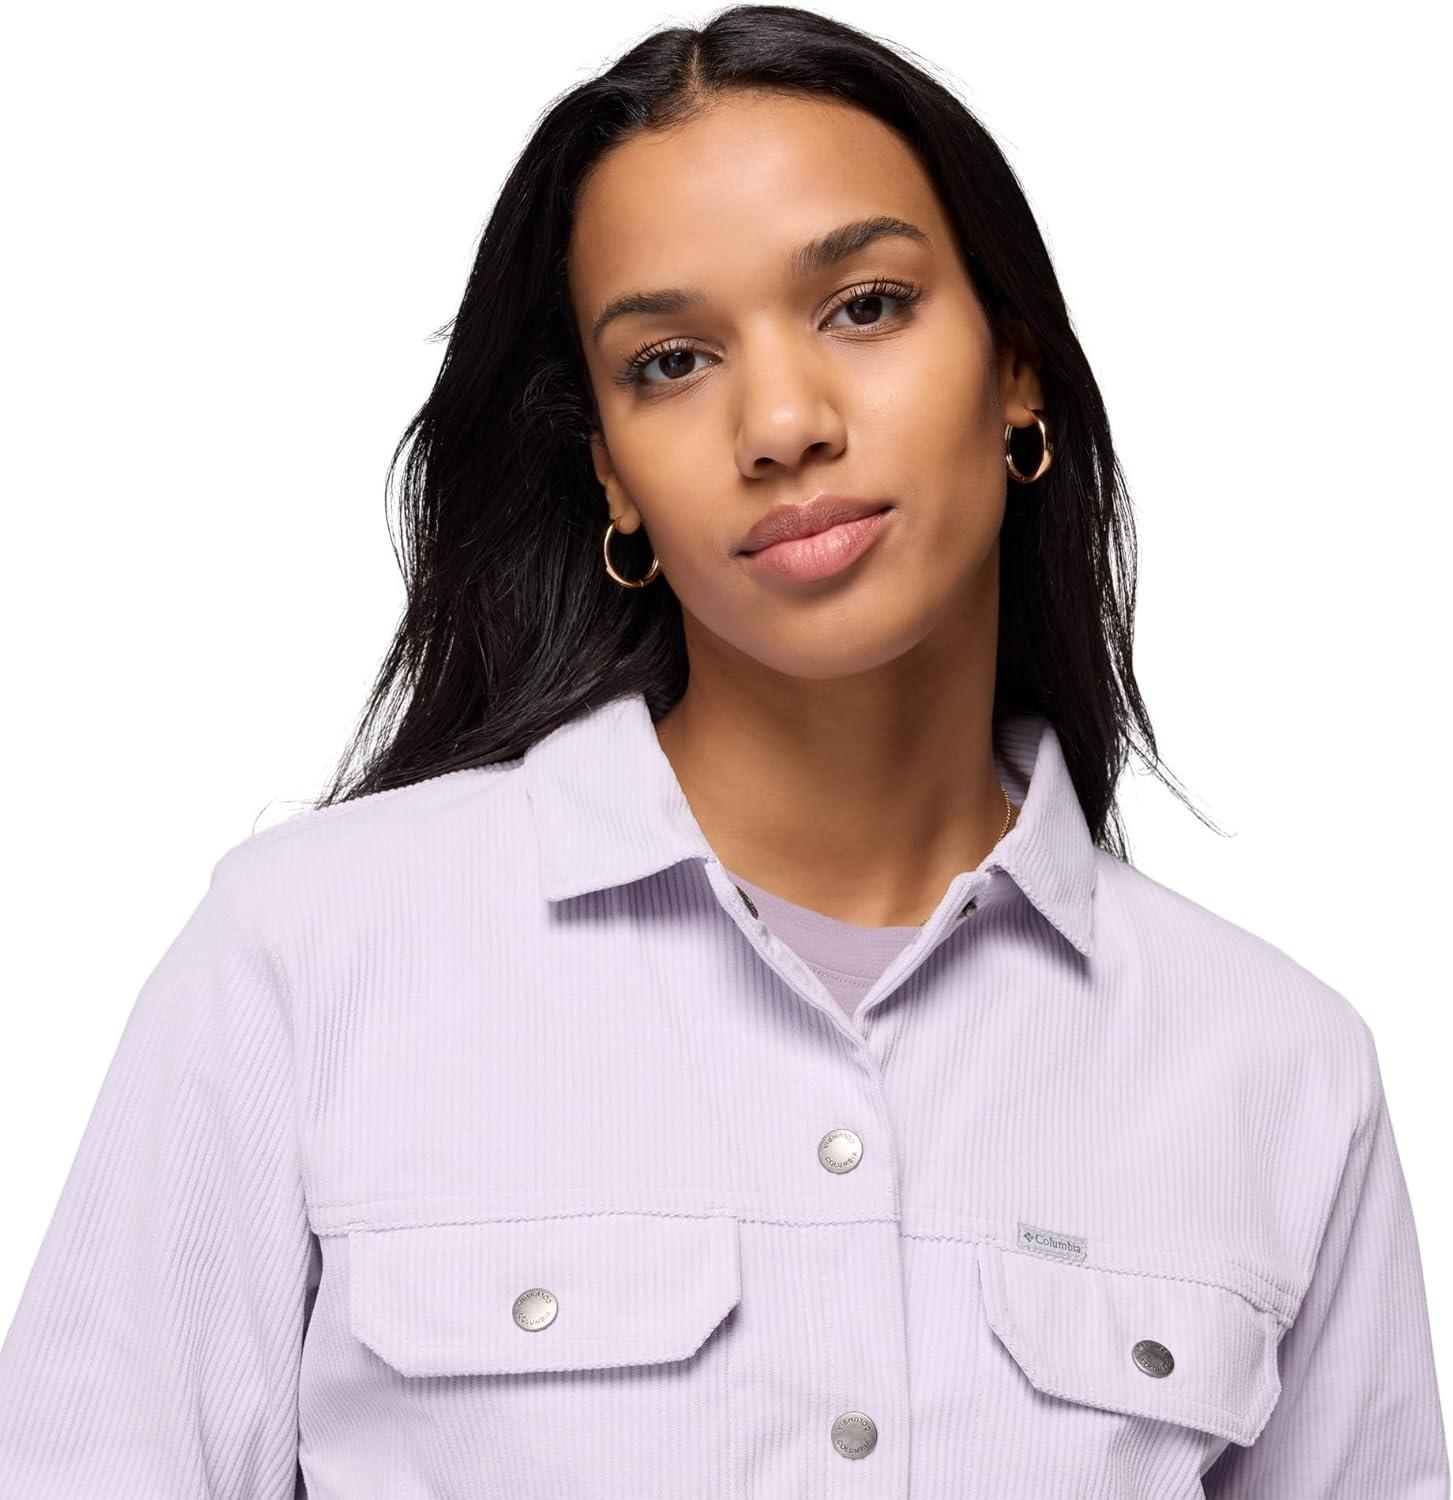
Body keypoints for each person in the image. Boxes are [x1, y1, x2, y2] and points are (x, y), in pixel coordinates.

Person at [1, 6, 1447, 1496]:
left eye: (865, 306)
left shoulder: (1277, 1067)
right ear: (612, 477)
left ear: (1017, 370)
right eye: (673, 361)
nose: (781, 423)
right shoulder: (307, 960)